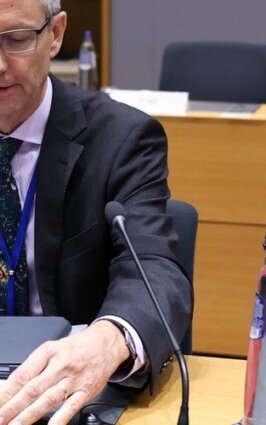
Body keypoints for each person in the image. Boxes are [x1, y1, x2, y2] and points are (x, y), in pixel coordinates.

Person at [0, 0, 191, 424]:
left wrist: (109, 339)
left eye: (15, 40)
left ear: (55, 34)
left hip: (68, 394)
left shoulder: (121, 139)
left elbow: (155, 269)